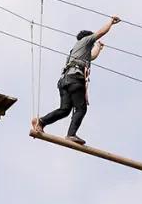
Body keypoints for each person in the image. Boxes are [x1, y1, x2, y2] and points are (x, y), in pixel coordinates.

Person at [32, 15, 121, 144]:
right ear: (88, 39)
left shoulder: (76, 50)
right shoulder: (86, 41)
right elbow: (101, 32)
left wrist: (99, 48)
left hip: (64, 81)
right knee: (81, 109)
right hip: (75, 80)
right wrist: (111, 22)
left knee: (65, 110)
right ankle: (71, 134)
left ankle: (41, 121)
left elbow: (92, 57)